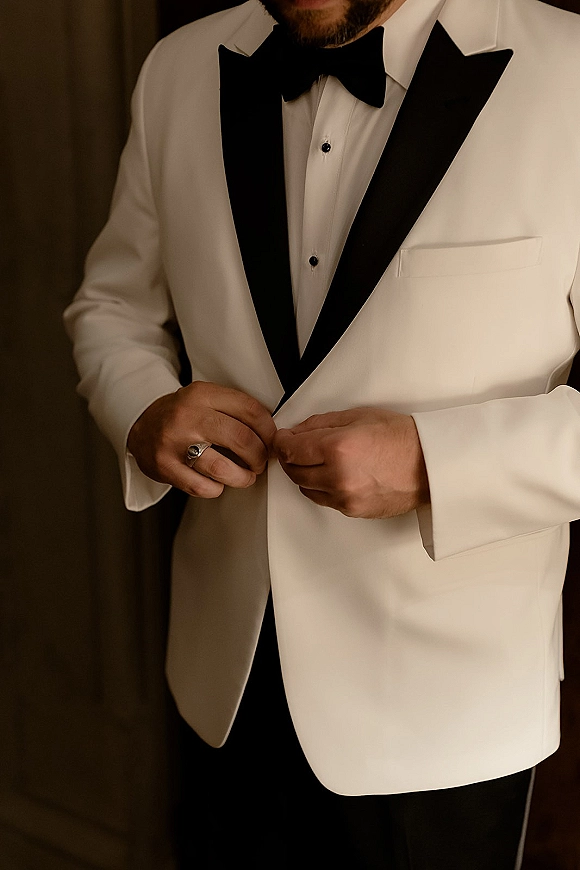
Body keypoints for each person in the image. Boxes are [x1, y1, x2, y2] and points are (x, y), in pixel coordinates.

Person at [64, 0, 580, 865]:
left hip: (442, 713)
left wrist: (434, 464)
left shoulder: (571, 73)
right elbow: (112, 305)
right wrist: (145, 410)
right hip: (224, 686)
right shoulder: (178, 70)